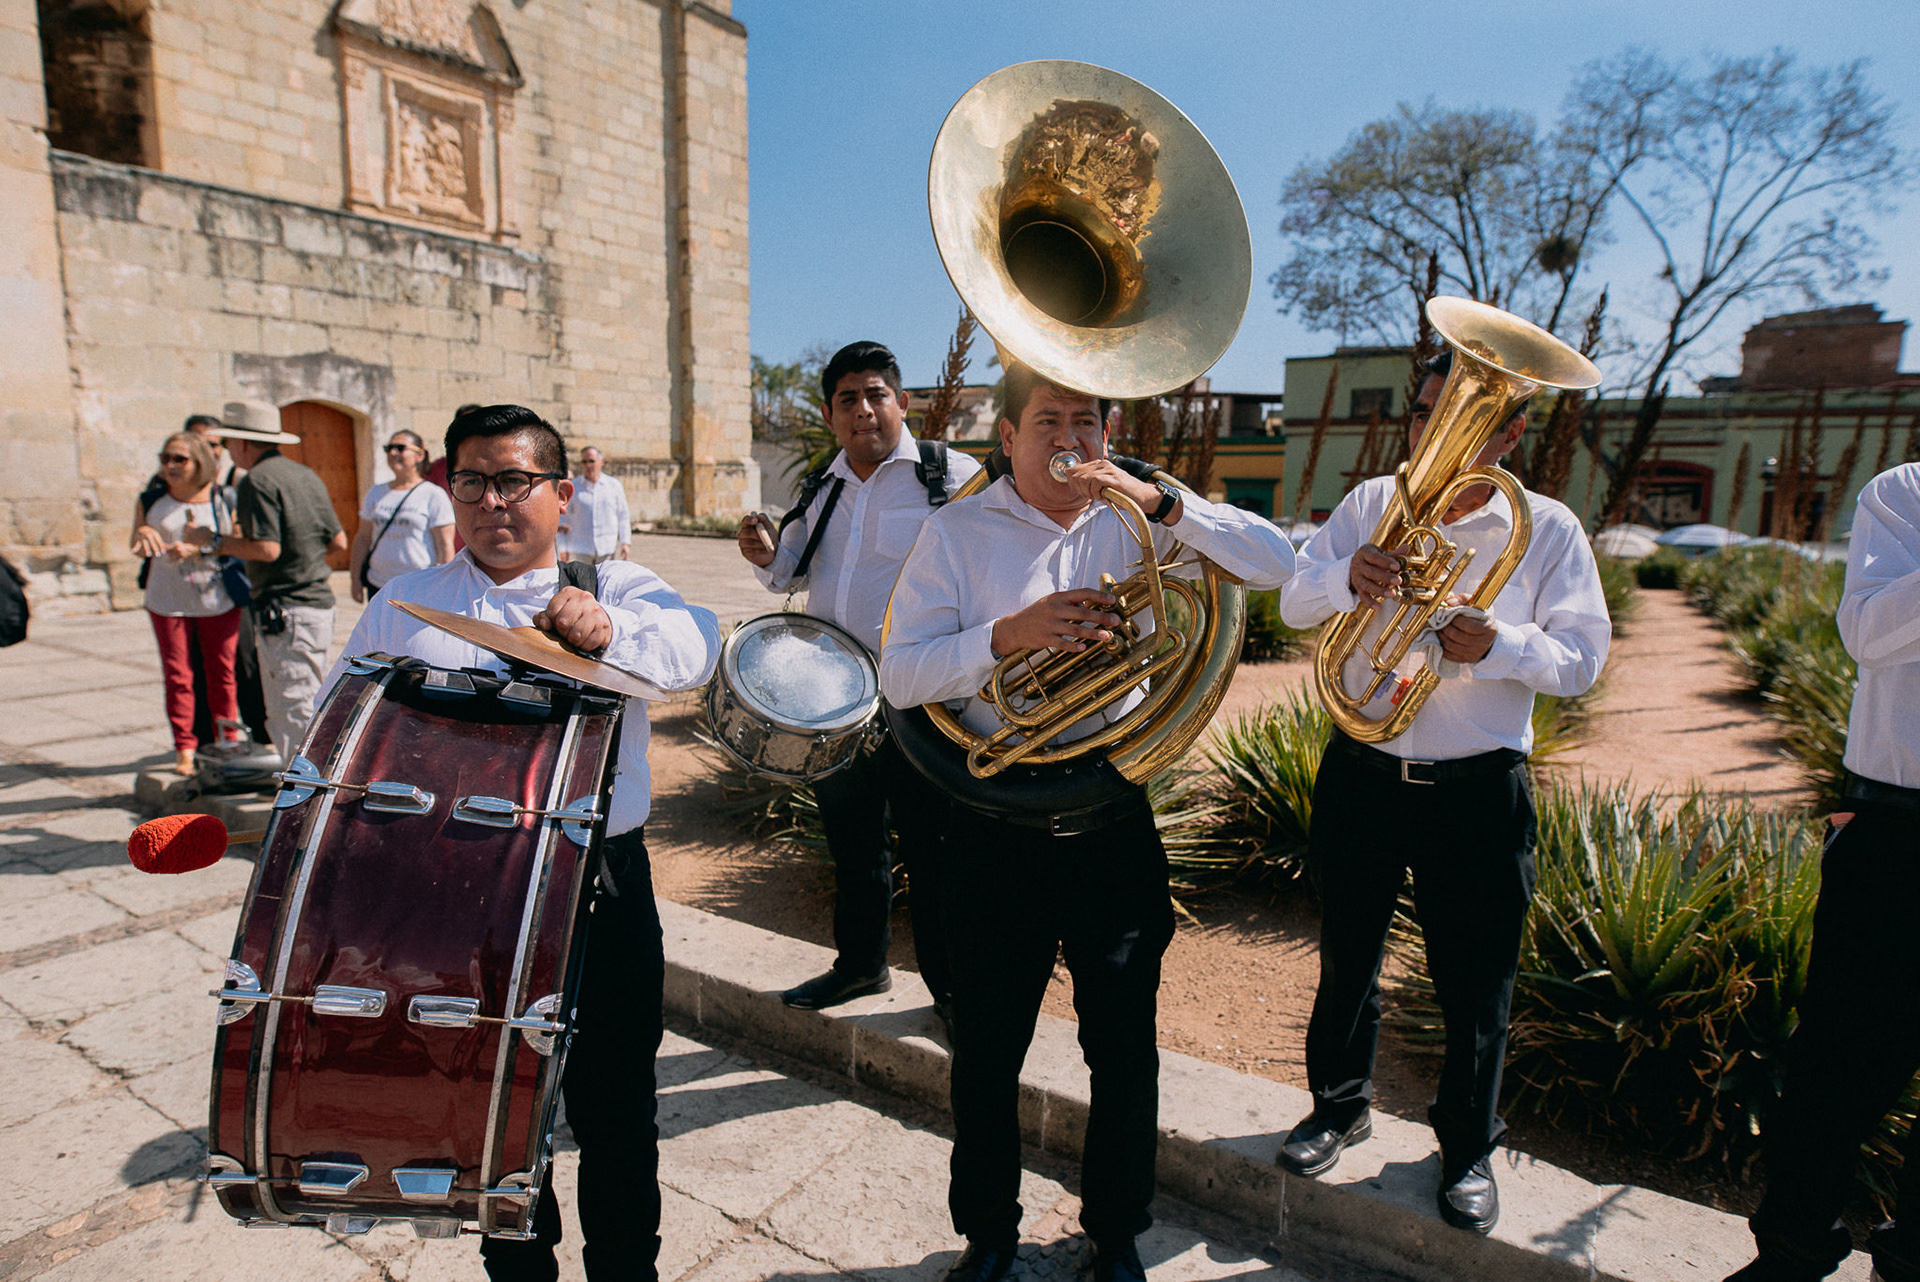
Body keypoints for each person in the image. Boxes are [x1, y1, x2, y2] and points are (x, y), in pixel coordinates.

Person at [880, 365, 1296, 1282]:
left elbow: (1278, 565)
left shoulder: (1140, 517)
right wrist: (1006, 637)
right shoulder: (956, 532)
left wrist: (1167, 503)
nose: (1071, 439)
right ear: (1008, 438)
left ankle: (1117, 1235)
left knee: (1124, 1046)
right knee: (987, 1050)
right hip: (997, 824)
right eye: (1048, 421)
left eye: (1088, 421)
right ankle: (989, 1236)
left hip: (1110, 817)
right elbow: (899, 675)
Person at [325, 404, 721, 1282]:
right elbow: (335, 726)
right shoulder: (405, 604)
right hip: (454, 899)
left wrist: (608, 630)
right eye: (471, 482)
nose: (491, 502)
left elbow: (697, 645)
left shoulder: (616, 584)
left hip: (596, 889)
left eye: (514, 480)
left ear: (562, 494)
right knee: (490, 1109)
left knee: (617, 1110)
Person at [1274, 350, 1610, 1236]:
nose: (1433, 429)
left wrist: (1500, 646)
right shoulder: (1369, 504)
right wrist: (1343, 576)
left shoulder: (1548, 530)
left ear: (1511, 433)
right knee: (1348, 954)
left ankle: (1465, 1148)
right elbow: (1293, 604)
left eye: (1463, 414)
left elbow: (1583, 660)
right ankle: (1337, 1106)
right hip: (1363, 772)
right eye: (1425, 412)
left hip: (1476, 789)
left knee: (1477, 977)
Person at [737, 340, 981, 1016]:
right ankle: (860, 968)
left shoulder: (951, 475)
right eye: (848, 399)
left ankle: (952, 995)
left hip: (924, 699)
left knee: (933, 854)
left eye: (876, 395)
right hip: (836, 698)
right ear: (830, 413)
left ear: (902, 403)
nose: (863, 410)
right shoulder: (824, 483)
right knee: (852, 842)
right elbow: (789, 572)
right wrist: (765, 554)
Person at [1723, 461, 1920, 1282]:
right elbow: (1868, 634)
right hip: (1902, 823)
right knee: (1840, 1056)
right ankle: (1794, 1249)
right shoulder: (1905, 492)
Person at [182, 400, 346, 764]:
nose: (228, 451)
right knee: (312, 700)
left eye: (229, 443)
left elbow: (267, 549)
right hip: (316, 604)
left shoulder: (256, 480)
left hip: (286, 608)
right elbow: (338, 541)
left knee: (291, 711)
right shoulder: (305, 474)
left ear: (242, 443)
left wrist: (211, 540)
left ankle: (305, 791)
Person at [129, 431, 244, 775]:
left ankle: (228, 740)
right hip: (167, 599)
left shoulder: (223, 497)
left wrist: (199, 547)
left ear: (200, 462)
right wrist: (144, 534)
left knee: (222, 673)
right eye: (165, 458)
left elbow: (239, 541)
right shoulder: (151, 499)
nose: (170, 465)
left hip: (216, 598)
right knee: (178, 675)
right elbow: (136, 545)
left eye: (180, 459)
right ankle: (185, 747)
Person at [348, 428, 456, 603]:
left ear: (420, 455)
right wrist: (355, 579)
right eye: (389, 448)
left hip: (420, 585)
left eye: (400, 448)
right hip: (379, 585)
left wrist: (444, 585)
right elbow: (363, 538)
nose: (392, 453)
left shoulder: (433, 494)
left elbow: (445, 545)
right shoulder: (376, 492)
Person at [558, 446, 630, 565]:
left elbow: (623, 516)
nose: (588, 465)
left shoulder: (614, 486)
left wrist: (625, 542)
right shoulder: (573, 487)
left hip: (607, 548)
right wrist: (563, 547)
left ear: (601, 462)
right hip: (580, 550)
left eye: (591, 461)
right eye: (584, 462)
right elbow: (563, 518)